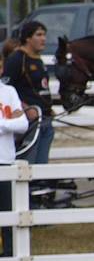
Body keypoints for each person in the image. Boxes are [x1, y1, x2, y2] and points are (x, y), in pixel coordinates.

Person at [2, 21, 53, 168]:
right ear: (27, 38)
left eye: (44, 35)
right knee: (28, 164)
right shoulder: (17, 59)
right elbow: (6, 89)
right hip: (29, 124)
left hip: (45, 119)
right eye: (39, 35)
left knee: (42, 165)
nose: (43, 39)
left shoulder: (38, 60)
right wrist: (25, 108)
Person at [0, 58, 27, 260]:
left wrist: (2, 124)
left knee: (8, 213)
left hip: (6, 160)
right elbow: (15, 122)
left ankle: (9, 256)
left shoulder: (9, 92)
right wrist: (10, 121)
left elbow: (23, 124)